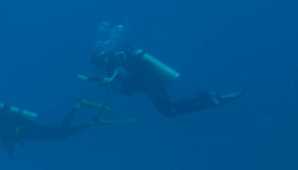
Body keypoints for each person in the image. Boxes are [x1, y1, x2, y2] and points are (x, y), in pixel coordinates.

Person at [84, 47, 245, 117]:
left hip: (149, 83)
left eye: (98, 65)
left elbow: (112, 79)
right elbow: (115, 83)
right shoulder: (115, 64)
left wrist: (99, 81)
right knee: (170, 109)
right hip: (149, 83)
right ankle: (207, 98)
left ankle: (209, 101)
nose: (99, 68)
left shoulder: (115, 61)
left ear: (101, 60)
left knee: (169, 111)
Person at [0, 100, 120, 158]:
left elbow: (8, 132)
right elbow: (8, 136)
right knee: (61, 134)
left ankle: (78, 106)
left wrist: (9, 142)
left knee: (61, 133)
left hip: (26, 130)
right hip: (26, 131)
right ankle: (91, 122)